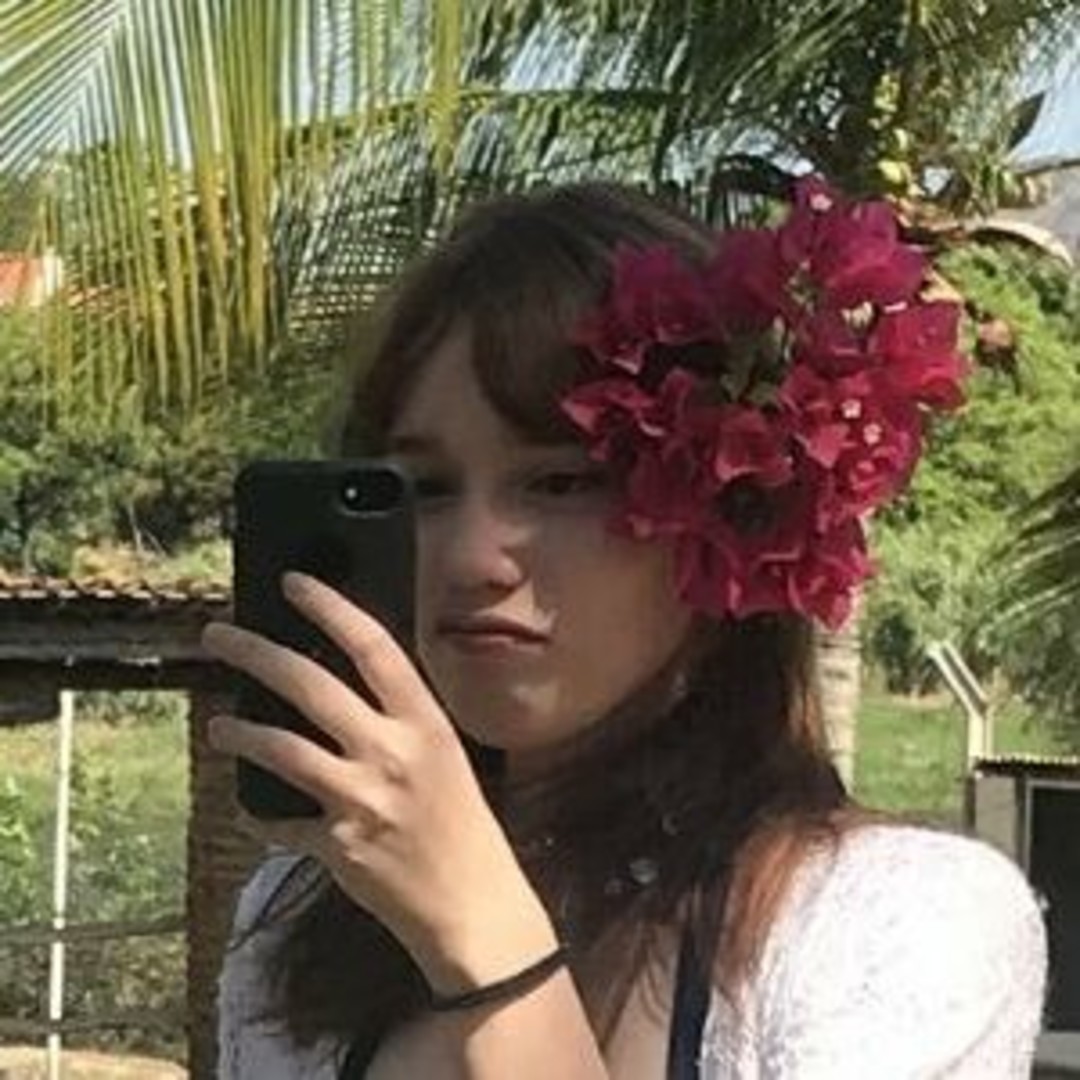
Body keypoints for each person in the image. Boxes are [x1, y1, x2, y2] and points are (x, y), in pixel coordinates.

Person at [206, 179, 1047, 1079]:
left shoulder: (893, 924)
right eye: (426, 488)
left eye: (562, 482)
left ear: (732, 513)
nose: (474, 557)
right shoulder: (302, 921)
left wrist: (485, 943)